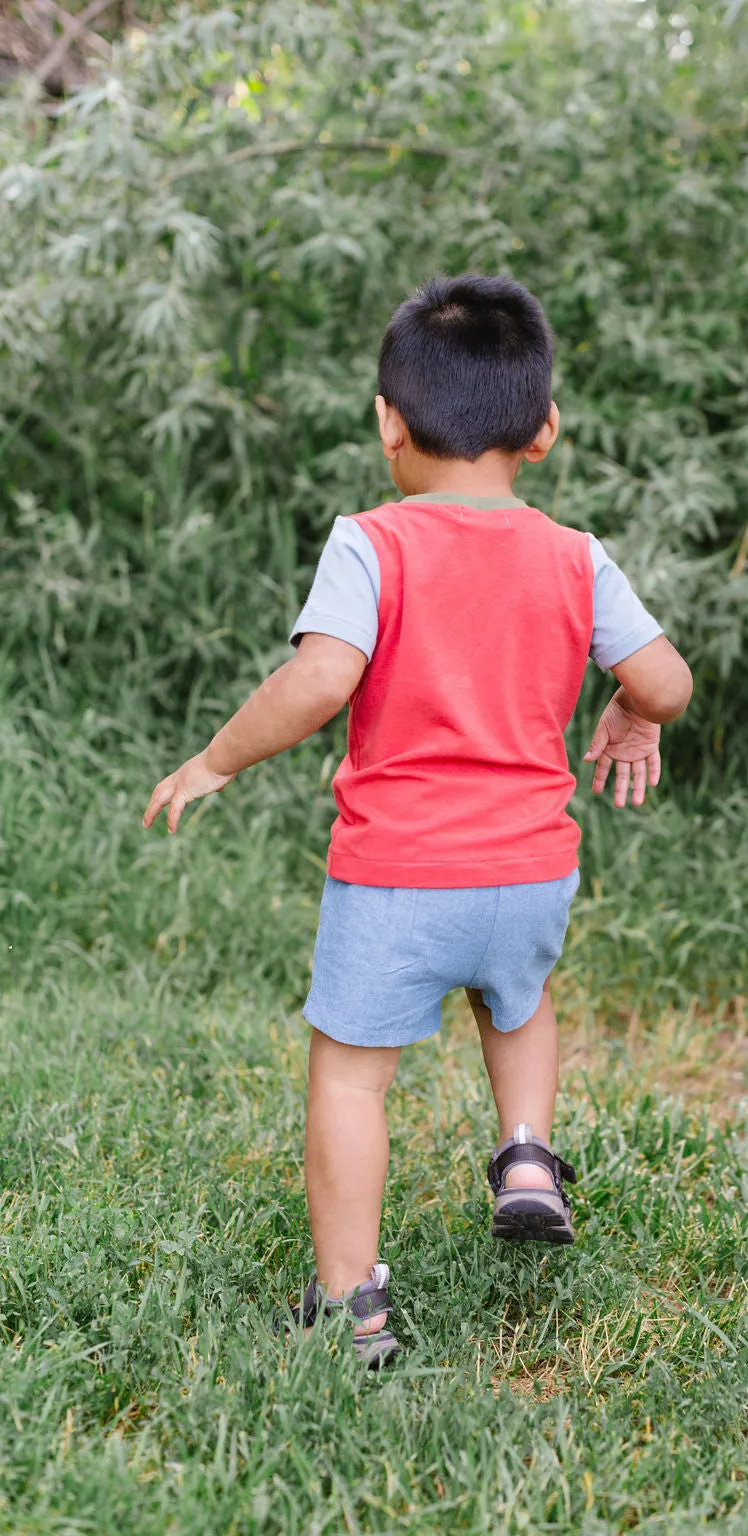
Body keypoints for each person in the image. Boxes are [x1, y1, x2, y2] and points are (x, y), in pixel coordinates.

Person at [143, 274, 692, 1367]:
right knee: (519, 999)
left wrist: (216, 759)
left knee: (351, 1076)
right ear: (544, 431)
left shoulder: (371, 542)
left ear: (388, 422)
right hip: (531, 871)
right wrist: (634, 710)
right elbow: (667, 680)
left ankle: (352, 1308)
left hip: (399, 877)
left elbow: (319, 681)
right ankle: (527, 1153)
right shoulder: (575, 555)